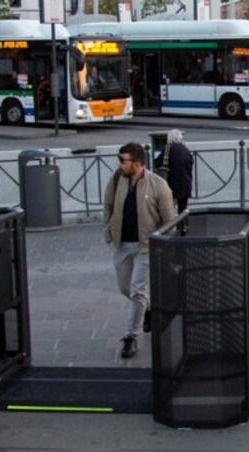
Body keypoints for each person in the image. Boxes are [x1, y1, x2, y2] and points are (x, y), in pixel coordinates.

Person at [103, 143, 176, 359]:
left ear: (137, 163)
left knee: (137, 290)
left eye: (123, 161)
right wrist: (108, 230)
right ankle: (149, 309)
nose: (120, 165)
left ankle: (130, 337)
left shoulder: (158, 185)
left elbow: (169, 220)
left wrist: (162, 245)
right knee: (125, 288)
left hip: (146, 246)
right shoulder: (116, 179)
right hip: (121, 244)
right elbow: (107, 206)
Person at [154, 129, 194, 213]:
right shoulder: (186, 150)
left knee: (169, 210)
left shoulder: (168, 149)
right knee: (183, 210)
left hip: (172, 184)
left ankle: (172, 225)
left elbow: (157, 162)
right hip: (185, 184)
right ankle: (183, 225)